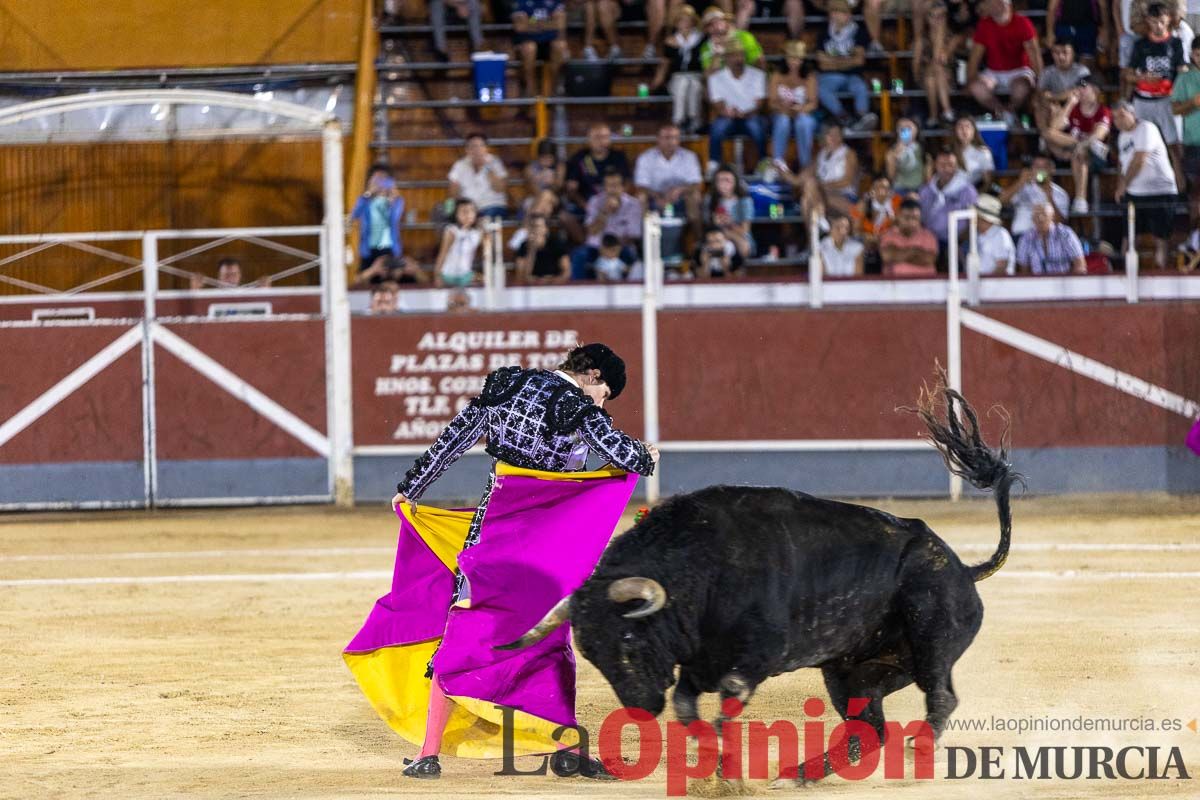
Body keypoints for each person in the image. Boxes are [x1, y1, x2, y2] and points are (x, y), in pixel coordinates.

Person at [391, 344, 659, 780]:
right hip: (546, 548)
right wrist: (648, 455)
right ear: (592, 374)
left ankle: (428, 753)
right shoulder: (577, 406)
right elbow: (629, 459)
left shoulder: (506, 386)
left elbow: (452, 441)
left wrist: (411, 488)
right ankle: (565, 749)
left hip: (491, 535)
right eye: (605, 392)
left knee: (463, 628)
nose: (602, 402)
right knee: (552, 639)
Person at [1126, 3, 1187, 189]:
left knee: (1174, 145)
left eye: (1161, 22)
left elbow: (1181, 70)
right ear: (1147, 22)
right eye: (1154, 22)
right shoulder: (1140, 45)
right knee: (1142, 143)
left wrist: (1178, 81)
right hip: (1143, 99)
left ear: (1168, 20)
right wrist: (1141, 78)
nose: (1158, 26)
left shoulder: (1175, 44)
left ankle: (1180, 185)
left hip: (1166, 100)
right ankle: (1142, 183)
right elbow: (1127, 74)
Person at [1114, 99, 1180, 268]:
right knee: (1128, 237)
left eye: (1121, 115)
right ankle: (1124, 276)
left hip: (1160, 191)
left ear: (1132, 113)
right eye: (1115, 118)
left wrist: (1123, 186)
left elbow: (1139, 160)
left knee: (1161, 239)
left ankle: (1162, 278)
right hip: (1135, 193)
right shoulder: (1122, 137)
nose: (1118, 120)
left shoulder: (1146, 128)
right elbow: (1123, 165)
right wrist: (1121, 185)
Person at [1042, 76, 1112, 214]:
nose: (1080, 90)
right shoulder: (1074, 109)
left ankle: (1081, 199)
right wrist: (1070, 104)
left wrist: (1084, 145)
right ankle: (1075, 150)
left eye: (1084, 87)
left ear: (1095, 91)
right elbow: (1053, 129)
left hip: (1097, 155)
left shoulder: (1102, 111)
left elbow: (1100, 134)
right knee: (1049, 135)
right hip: (1077, 149)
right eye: (1078, 87)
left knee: (1080, 153)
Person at [967, 0, 1043, 124]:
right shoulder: (984, 24)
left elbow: (1035, 55)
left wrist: (1040, 82)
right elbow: (975, 56)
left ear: (1007, 5)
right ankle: (1002, 112)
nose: (992, 5)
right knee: (976, 87)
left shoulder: (1023, 23)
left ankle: (1011, 110)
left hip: (1020, 70)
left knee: (1021, 87)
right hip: (994, 71)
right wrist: (969, 79)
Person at [706, 36, 768, 172]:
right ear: (726, 59)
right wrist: (726, 112)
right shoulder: (716, 77)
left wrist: (746, 113)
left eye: (740, 55)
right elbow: (717, 103)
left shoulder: (757, 75)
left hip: (750, 115)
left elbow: (759, 103)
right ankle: (714, 164)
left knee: (757, 128)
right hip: (728, 116)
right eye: (733, 56)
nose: (738, 59)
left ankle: (764, 164)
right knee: (717, 128)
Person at [816, 0, 879, 131]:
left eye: (842, 12)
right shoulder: (823, 33)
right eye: (835, 12)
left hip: (853, 75)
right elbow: (822, 63)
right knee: (821, 88)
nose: (837, 15)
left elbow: (859, 60)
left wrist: (833, 61)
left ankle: (862, 117)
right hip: (830, 76)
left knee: (860, 87)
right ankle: (844, 117)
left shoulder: (858, 32)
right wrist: (847, 61)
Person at [634, 124, 705, 237]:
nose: (671, 141)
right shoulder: (645, 157)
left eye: (675, 137)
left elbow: (696, 184)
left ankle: (699, 240)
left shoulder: (689, 157)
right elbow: (641, 186)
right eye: (667, 137)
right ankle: (642, 243)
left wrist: (680, 190)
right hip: (654, 198)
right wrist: (657, 197)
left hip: (681, 198)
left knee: (695, 196)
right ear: (658, 139)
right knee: (641, 197)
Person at [572, 168, 644, 279]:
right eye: (608, 186)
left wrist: (612, 248)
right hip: (597, 248)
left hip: (621, 248)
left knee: (631, 256)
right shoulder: (594, 201)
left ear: (623, 187)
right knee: (579, 255)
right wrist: (604, 212)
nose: (612, 190)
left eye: (615, 185)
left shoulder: (633, 205)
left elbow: (633, 235)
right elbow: (591, 231)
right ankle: (578, 291)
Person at [650, 5, 707, 133]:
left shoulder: (701, 39)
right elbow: (664, 65)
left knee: (694, 85)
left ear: (693, 22)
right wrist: (655, 83)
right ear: (677, 23)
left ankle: (694, 120)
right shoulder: (670, 42)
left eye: (688, 20)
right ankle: (678, 121)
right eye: (682, 20)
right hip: (677, 78)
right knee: (682, 84)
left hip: (696, 76)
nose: (685, 23)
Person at [918, 146, 979, 265]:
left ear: (956, 166)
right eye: (942, 164)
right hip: (931, 240)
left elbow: (974, 220)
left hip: (960, 241)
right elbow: (921, 219)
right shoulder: (925, 191)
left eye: (950, 165)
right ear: (935, 165)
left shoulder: (967, 190)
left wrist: (956, 242)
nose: (946, 169)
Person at [769, 40, 820, 171]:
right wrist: (783, 108)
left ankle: (805, 164)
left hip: (803, 113)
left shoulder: (809, 76)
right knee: (783, 121)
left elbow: (813, 103)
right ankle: (778, 163)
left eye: (797, 59)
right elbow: (772, 102)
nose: (794, 62)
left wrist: (800, 109)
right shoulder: (777, 75)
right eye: (791, 58)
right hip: (781, 113)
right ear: (786, 59)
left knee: (803, 123)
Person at [795, 122, 861, 223]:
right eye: (830, 134)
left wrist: (821, 187)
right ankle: (814, 235)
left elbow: (847, 181)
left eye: (837, 134)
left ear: (841, 137)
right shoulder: (821, 154)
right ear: (825, 136)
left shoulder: (849, 154)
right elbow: (798, 180)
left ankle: (821, 220)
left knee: (811, 189)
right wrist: (781, 170)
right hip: (824, 195)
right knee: (805, 201)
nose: (834, 138)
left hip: (845, 196)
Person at [1170, 37, 1200, 249]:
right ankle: (1195, 240)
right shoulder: (1185, 78)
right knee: (1196, 195)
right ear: (1192, 55)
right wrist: (1193, 102)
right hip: (1194, 143)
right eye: (1198, 54)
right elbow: (1174, 109)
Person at [351, 164, 405, 273]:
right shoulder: (365, 200)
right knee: (367, 276)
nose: (380, 183)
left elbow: (397, 216)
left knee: (390, 276)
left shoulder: (396, 201)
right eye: (376, 179)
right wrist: (368, 193)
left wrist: (392, 196)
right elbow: (355, 215)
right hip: (369, 249)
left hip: (389, 248)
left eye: (383, 179)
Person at [999, 154, 1071, 236]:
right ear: (1031, 169)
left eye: (1044, 167)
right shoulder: (1023, 187)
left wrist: (1049, 196)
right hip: (1021, 235)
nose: (1039, 170)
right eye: (1036, 166)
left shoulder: (1060, 194)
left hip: (1047, 237)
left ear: (1052, 169)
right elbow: (1001, 201)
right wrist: (1020, 182)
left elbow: (1060, 223)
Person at [512, 0, 569, 95]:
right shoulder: (522, 2)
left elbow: (560, 24)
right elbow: (520, 27)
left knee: (560, 45)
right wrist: (549, 23)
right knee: (529, 48)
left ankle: (554, 88)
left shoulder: (554, 2)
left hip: (549, 42)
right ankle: (529, 89)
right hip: (528, 41)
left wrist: (532, 23)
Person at [1015, 200, 1088, 273]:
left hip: (1063, 281)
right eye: (1037, 215)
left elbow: (1080, 265)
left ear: (1052, 217)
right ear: (1032, 218)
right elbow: (1024, 270)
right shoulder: (1026, 238)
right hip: (1037, 282)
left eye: (1044, 214)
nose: (1040, 218)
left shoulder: (1066, 234)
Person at [447, 133, 508, 219]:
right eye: (473, 147)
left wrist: (487, 168)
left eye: (481, 146)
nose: (477, 150)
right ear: (467, 150)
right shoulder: (460, 165)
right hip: (468, 208)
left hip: (492, 206)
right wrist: (451, 208)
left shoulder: (495, 162)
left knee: (482, 218)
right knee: (446, 211)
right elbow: (452, 193)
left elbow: (500, 188)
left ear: (487, 149)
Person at [1035, 38, 1091, 130]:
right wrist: (1053, 102)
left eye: (1065, 52)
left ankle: (1049, 135)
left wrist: (1053, 97)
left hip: (1077, 107)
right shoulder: (1046, 72)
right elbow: (1041, 94)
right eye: (1056, 53)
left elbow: (1080, 91)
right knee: (1041, 106)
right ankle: (1047, 135)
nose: (1061, 56)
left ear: (1072, 54)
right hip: (1054, 108)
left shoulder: (1083, 71)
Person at [704, 164, 757, 258]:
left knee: (742, 245)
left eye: (727, 180)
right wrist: (715, 223)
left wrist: (729, 222)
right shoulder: (710, 199)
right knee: (715, 243)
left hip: (739, 235)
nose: (723, 184)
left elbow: (745, 230)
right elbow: (707, 225)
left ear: (735, 182)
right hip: (716, 235)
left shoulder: (744, 201)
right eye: (720, 180)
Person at [852, 173, 903, 269]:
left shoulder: (897, 203)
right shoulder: (862, 205)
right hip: (868, 243)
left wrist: (884, 237)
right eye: (877, 187)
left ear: (890, 191)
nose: (881, 191)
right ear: (871, 189)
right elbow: (856, 231)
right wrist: (868, 237)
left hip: (889, 242)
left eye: (885, 188)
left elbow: (900, 228)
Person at [880, 198, 939, 276]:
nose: (911, 222)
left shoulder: (929, 236)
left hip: (926, 284)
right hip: (894, 284)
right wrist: (916, 251)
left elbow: (929, 259)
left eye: (915, 218)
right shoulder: (888, 235)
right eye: (907, 218)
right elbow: (887, 256)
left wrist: (899, 253)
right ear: (898, 216)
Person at [699, 7, 765, 74]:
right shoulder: (705, 47)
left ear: (726, 22)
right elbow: (708, 76)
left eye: (719, 21)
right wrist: (717, 56)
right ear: (706, 29)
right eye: (710, 24)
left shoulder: (744, 36)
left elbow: (759, 63)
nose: (716, 26)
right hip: (721, 82)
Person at [922, 1, 957, 128]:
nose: (937, 20)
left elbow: (942, 60)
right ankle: (947, 111)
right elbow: (917, 66)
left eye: (940, 16)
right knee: (931, 76)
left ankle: (933, 116)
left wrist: (940, 35)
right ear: (927, 18)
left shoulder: (953, 37)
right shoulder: (922, 39)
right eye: (933, 16)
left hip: (948, 78)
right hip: (924, 76)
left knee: (933, 77)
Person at [434, 199, 483, 288]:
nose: (468, 215)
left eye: (471, 211)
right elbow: (442, 254)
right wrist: (437, 276)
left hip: (465, 275)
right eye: (464, 211)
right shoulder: (452, 231)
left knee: (486, 280)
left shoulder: (477, 233)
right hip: (449, 275)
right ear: (456, 215)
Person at [515, 214, 571, 283]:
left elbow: (566, 272)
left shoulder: (556, 244)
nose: (535, 230)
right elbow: (520, 275)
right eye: (532, 227)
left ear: (546, 229)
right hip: (532, 286)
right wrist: (532, 250)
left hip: (554, 286)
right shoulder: (523, 246)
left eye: (537, 226)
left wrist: (551, 281)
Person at [973, 194, 1017, 274]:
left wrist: (987, 284)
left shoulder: (1000, 235)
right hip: (983, 283)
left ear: (983, 218)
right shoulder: (979, 234)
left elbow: (1002, 267)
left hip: (998, 285)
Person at [886, 117, 927, 196]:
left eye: (908, 127)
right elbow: (891, 177)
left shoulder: (923, 149)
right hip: (900, 188)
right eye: (902, 128)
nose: (906, 130)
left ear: (916, 129)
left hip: (919, 188)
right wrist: (895, 157)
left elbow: (927, 177)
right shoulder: (892, 151)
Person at [953, 116, 996, 188]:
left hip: (973, 192)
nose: (964, 130)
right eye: (960, 127)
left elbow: (988, 182)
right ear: (955, 131)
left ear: (974, 131)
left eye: (967, 126)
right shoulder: (949, 150)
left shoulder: (983, 152)